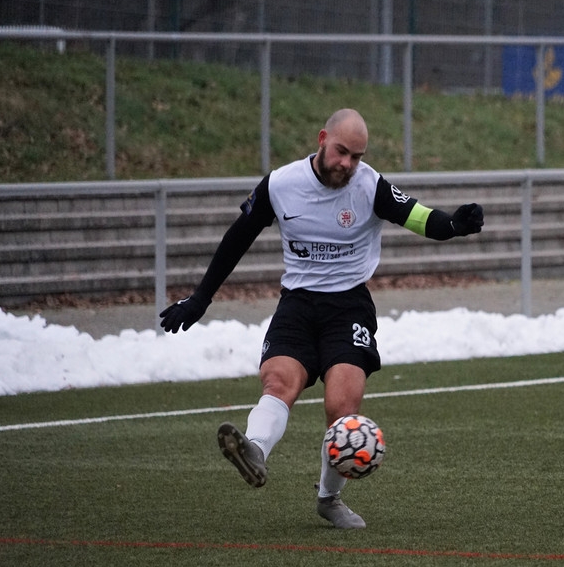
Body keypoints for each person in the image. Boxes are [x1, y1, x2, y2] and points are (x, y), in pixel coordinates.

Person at [159, 108, 484, 530]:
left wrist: (455, 224)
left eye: (356, 156)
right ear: (321, 139)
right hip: (297, 303)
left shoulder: (370, 185)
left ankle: (328, 499)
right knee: (279, 382)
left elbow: (420, 217)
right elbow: (237, 237)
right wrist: (200, 300)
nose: (347, 164)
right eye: (341, 152)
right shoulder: (281, 184)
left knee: (341, 407)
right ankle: (253, 450)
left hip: (349, 305)